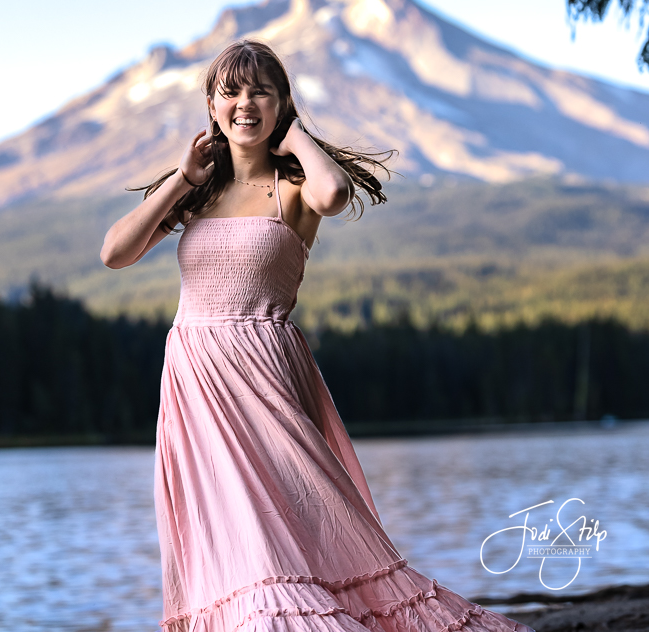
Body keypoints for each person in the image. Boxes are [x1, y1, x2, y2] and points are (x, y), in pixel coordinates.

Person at [101, 39, 529, 632]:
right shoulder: (197, 193)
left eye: (261, 93)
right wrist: (181, 179)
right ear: (212, 106)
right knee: (230, 529)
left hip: (265, 371)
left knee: (291, 518)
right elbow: (114, 253)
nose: (245, 104)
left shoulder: (294, 187)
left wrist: (298, 139)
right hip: (197, 378)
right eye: (231, 92)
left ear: (282, 104)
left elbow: (333, 194)